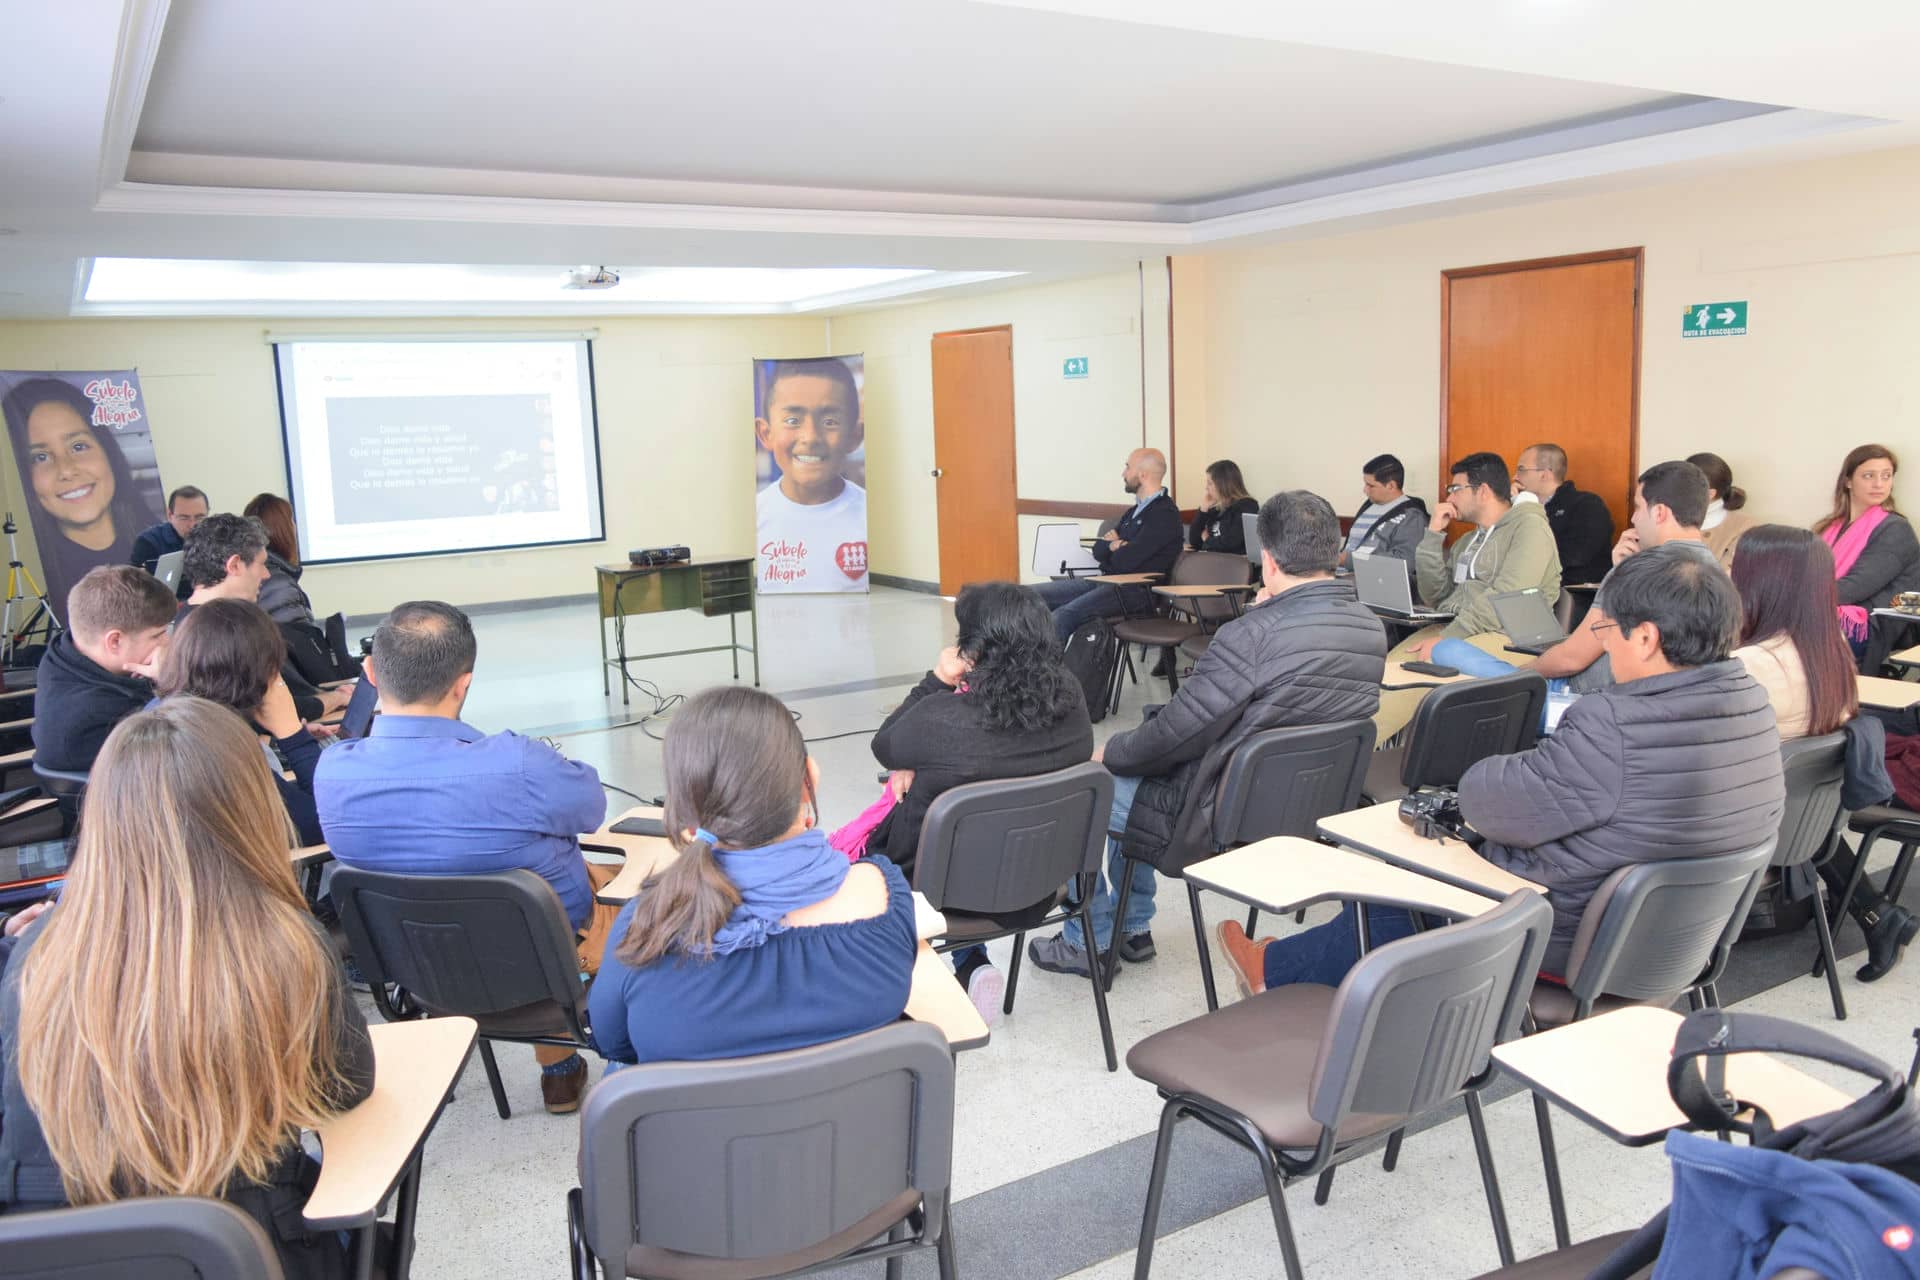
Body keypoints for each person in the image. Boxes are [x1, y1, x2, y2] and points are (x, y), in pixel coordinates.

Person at [1219, 548, 1786, 991]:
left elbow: (1491, 805)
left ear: (1646, 637)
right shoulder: (1752, 705)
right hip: (1678, 941)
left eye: (1607, 632)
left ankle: (1278, 970)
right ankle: (1316, 964)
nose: (1605, 647)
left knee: (1408, 868)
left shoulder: (1613, 724)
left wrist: (1496, 766)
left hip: (1572, 940)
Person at [0, 699, 374, 1278]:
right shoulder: (286, 947)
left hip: (51, 1255)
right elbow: (345, 1087)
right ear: (251, 807)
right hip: (234, 1252)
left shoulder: (37, 951)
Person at [1027, 490, 1387, 978]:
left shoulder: (1253, 635)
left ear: (1267, 560)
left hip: (1217, 813)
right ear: (1334, 550)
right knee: (1130, 775)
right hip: (1305, 808)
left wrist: (1110, 752)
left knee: (1076, 786)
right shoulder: (1370, 627)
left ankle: (1085, 939)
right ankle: (1132, 926)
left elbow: (1173, 737)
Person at [315, 601, 611, 1112]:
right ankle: (574, 1068)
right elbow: (591, 808)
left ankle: (560, 1066)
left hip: (421, 975)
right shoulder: (517, 764)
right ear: (463, 684)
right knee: (649, 880)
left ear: (370, 673)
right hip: (552, 966)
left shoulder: (333, 773)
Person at [590, 686, 916, 1065]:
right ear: (809, 778)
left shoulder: (647, 927)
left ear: (683, 809)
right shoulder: (885, 897)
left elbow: (612, 1042)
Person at [868, 581, 1093, 1017]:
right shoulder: (1071, 700)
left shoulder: (943, 720)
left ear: (973, 649)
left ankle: (918, 981)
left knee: (879, 851)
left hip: (939, 893)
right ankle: (972, 963)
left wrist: (937, 679)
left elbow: (886, 744)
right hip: (1042, 881)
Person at [1731, 523, 1917, 982]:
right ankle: (1876, 913)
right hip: (1803, 822)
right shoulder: (1831, 652)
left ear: (1757, 581)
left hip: (1751, 828)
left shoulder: (1749, 665)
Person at [1430, 460, 1718, 709]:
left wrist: (1521, 676)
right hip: (1661, 704)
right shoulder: (1717, 575)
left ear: (1660, 513)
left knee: (1446, 651)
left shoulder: (1634, 575)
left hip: (1578, 699)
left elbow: (1572, 659)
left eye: (1638, 508)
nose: (1633, 518)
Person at [154, 599, 327, 846]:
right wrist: (293, 736)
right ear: (260, 674)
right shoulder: (216, 742)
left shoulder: (167, 714)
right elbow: (325, 823)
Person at [1, 379, 163, 606]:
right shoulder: (44, 576)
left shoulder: (158, 542)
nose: (66, 470)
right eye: (40, 457)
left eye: (78, 446)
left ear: (108, 452)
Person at [180, 514, 349, 722]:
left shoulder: (183, 623)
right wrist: (337, 698)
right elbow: (268, 709)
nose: (266, 574)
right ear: (235, 565)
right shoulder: (227, 631)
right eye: (261, 564)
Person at [29, 565, 174, 774]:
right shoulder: (89, 719)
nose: (167, 642)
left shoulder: (66, 656)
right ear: (114, 641)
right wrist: (171, 683)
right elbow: (188, 749)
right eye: (157, 635)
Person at [1032, 448, 1183, 644]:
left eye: (1128, 467)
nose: (1123, 473)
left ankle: (1044, 665)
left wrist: (1114, 547)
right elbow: (1099, 550)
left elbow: (1125, 562)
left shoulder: (1164, 515)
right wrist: (1115, 546)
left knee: (1063, 616)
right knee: (1028, 596)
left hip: (1136, 591)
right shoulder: (1134, 512)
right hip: (1106, 581)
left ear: (1142, 474)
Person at [754, 359, 868, 592]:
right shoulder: (754, 518)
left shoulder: (870, 516)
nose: (811, 437)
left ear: (854, 436)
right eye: (792, 421)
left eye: (829, 421)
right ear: (766, 434)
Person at [1815, 445, 1920, 651]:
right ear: (1848, 481)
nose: (1879, 484)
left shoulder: (1895, 529)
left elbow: (1854, 588)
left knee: (1790, 637)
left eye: (1886, 476)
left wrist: (1796, 598)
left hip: (1872, 623)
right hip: (1830, 613)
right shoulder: (1830, 528)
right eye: (1869, 476)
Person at [1513, 443, 1615, 586]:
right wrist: (1515, 509)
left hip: (1572, 592)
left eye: (1521, 470)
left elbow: (1574, 556)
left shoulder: (1587, 505)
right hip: (1525, 588)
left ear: (1545, 474)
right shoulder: (1518, 507)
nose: (1515, 477)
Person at [1341, 453, 1428, 573]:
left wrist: (1348, 560)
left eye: (1370, 486)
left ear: (1391, 486)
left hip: (1370, 580)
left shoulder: (1412, 516)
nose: (1365, 490)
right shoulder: (1368, 505)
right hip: (1342, 575)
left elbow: (1404, 563)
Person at [242, 493, 318, 626]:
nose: (295, 527)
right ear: (283, 530)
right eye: (292, 520)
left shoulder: (248, 573)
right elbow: (300, 637)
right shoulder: (280, 584)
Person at [1688, 452, 1757, 570]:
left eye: (1684, 485)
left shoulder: (1745, 527)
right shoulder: (1669, 516)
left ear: (1710, 494)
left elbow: (1726, 577)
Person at [129, 483, 209, 576]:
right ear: (170, 515)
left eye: (199, 517)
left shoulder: (216, 538)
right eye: (184, 518)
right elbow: (131, 582)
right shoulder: (148, 542)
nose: (192, 525)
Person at [1187, 460, 1259, 556]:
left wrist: (1206, 539)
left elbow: (1230, 544)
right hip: (1213, 559)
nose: (1206, 488)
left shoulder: (1247, 506)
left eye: (1210, 483)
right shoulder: (1216, 508)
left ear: (1222, 484)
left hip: (1235, 562)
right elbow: (1195, 542)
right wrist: (1203, 510)